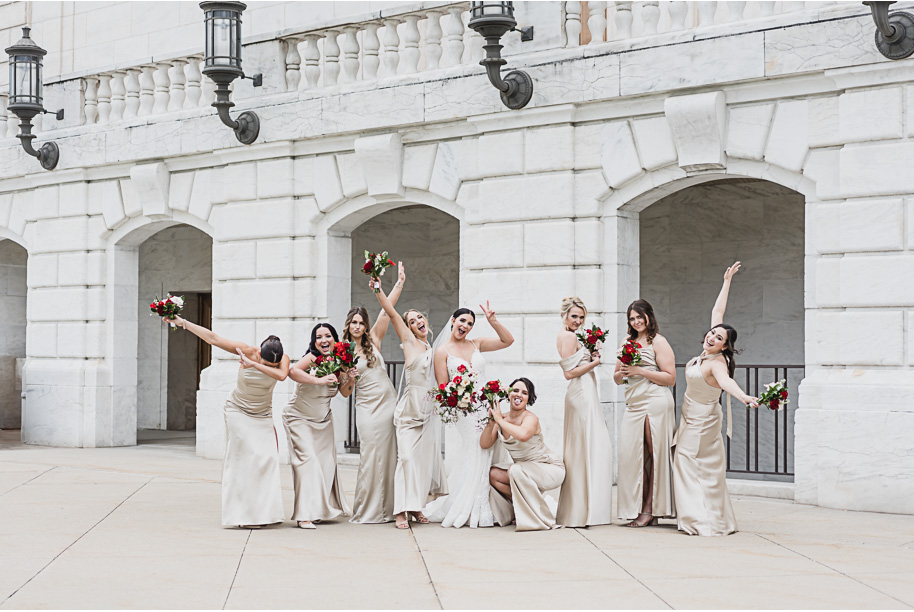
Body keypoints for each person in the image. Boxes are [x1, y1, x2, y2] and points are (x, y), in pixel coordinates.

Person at [165, 315, 288, 528]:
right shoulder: (248, 351)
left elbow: (282, 376)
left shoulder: (281, 359)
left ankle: (265, 512)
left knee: (267, 460)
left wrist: (252, 365)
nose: (272, 365)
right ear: (259, 352)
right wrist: (183, 323)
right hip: (238, 411)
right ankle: (243, 515)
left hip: (262, 414)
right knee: (244, 460)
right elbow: (214, 339)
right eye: (266, 362)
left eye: (273, 364)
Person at [672, 261, 759, 536]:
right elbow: (717, 311)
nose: (711, 336)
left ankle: (700, 519)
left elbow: (726, 382)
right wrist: (727, 282)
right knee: (690, 464)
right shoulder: (708, 351)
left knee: (686, 462)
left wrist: (743, 396)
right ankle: (705, 515)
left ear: (725, 345)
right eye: (712, 333)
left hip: (702, 420)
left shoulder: (717, 363)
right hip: (689, 415)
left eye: (718, 336)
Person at [424, 303, 514, 529]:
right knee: (477, 449)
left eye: (470, 323)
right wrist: (460, 397)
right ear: (452, 321)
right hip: (466, 411)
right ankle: (474, 506)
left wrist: (493, 321)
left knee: (491, 449)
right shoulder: (442, 352)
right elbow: (444, 389)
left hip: (488, 404)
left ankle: (493, 506)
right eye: (462, 320)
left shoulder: (477, 344)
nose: (465, 325)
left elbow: (508, 341)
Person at [374, 283, 447, 529]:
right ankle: (400, 511)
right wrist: (383, 287)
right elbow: (391, 313)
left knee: (421, 462)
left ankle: (415, 505)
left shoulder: (432, 347)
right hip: (409, 413)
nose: (417, 322)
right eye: (412, 320)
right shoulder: (409, 342)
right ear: (409, 328)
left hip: (427, 412)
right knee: (405, 458)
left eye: (419, 317)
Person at [345, 263, 406, 524]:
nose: (358, 326)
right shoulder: (342, 353)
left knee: (391, 454)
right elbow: (344, 393)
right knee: (370, 455)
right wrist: (348, 379)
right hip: (366, 408)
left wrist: (398, 283)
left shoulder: (375, 340)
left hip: (387, 403)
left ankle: (393, 507)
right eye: (353, 322)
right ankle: (369, 508)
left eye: (361, 322)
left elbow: (387, 311)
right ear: (347, 325)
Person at [279, 323, 355, 529]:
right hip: (299, 417)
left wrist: (351, 378)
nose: (323, 341)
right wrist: (318, 380)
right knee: (307, 462)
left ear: (335, 339)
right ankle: (303, 515)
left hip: (323, 421)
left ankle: (318, 510)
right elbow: (292, 372)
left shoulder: (341, 363)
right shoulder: (312, 358)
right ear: (314, 342)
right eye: (318, 337)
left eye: (327, 336)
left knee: (325, 465)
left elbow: (345, 392)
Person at [613, 299, 677, 527]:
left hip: (654, 401)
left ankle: (649, 510)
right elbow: (617, 378)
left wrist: (640, 370)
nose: (637, 321)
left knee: (654, 455)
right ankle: (638, 505)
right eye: (632, 318)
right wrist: (624, 368)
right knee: (632, 457)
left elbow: (671, 378)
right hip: (633, 404)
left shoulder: (658, 342)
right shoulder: (626, 341)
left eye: (640, 316)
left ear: (649, 316)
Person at [555, 296, 613, 527]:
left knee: (588, 446)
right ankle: (581, 511)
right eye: (574, 316)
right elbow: (569, 373)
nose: (578, 321)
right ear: (564, 316)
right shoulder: (568, 336)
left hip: (586, 391)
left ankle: (584, 508)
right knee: (585, 447)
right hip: (581, 393)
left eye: (581, 317)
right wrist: (595, 363)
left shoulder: (570, 335)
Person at [482, 377, 566, 531]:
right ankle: (525, 505)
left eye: (524, 392)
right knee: (492, 474)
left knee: (515, 469)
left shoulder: (530, 418)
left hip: (548, 467)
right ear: (508, 394)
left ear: (529, 398)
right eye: (515, 390)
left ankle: (535, 512)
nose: (519, 395)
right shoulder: (502, 418)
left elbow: (523, 435)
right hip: (523, 470)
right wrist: (492, 422)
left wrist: (500, 420)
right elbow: (485, 444)